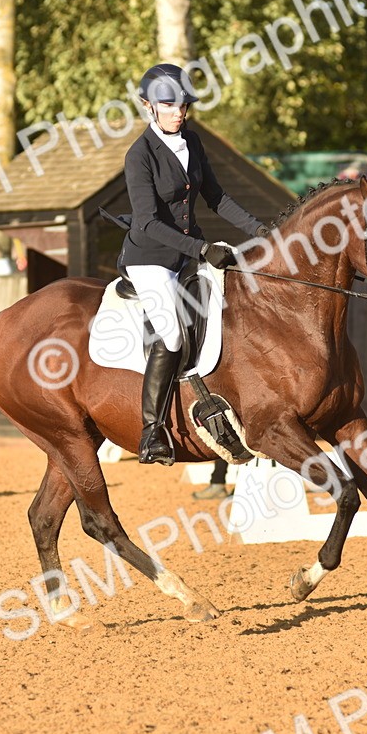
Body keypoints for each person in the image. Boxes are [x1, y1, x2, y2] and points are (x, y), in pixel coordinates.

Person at [121, 63, 270, 465]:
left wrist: (262, 230)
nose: (178, 112)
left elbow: (217, 198)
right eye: (168, 105)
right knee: (170, 334)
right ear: (148, 106)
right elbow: (148, 222)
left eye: (183, 105)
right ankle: (151, 432)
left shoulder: (194, 142)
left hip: (188, 254)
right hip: (151, 259)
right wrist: (202, 250)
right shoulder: (139, 156)